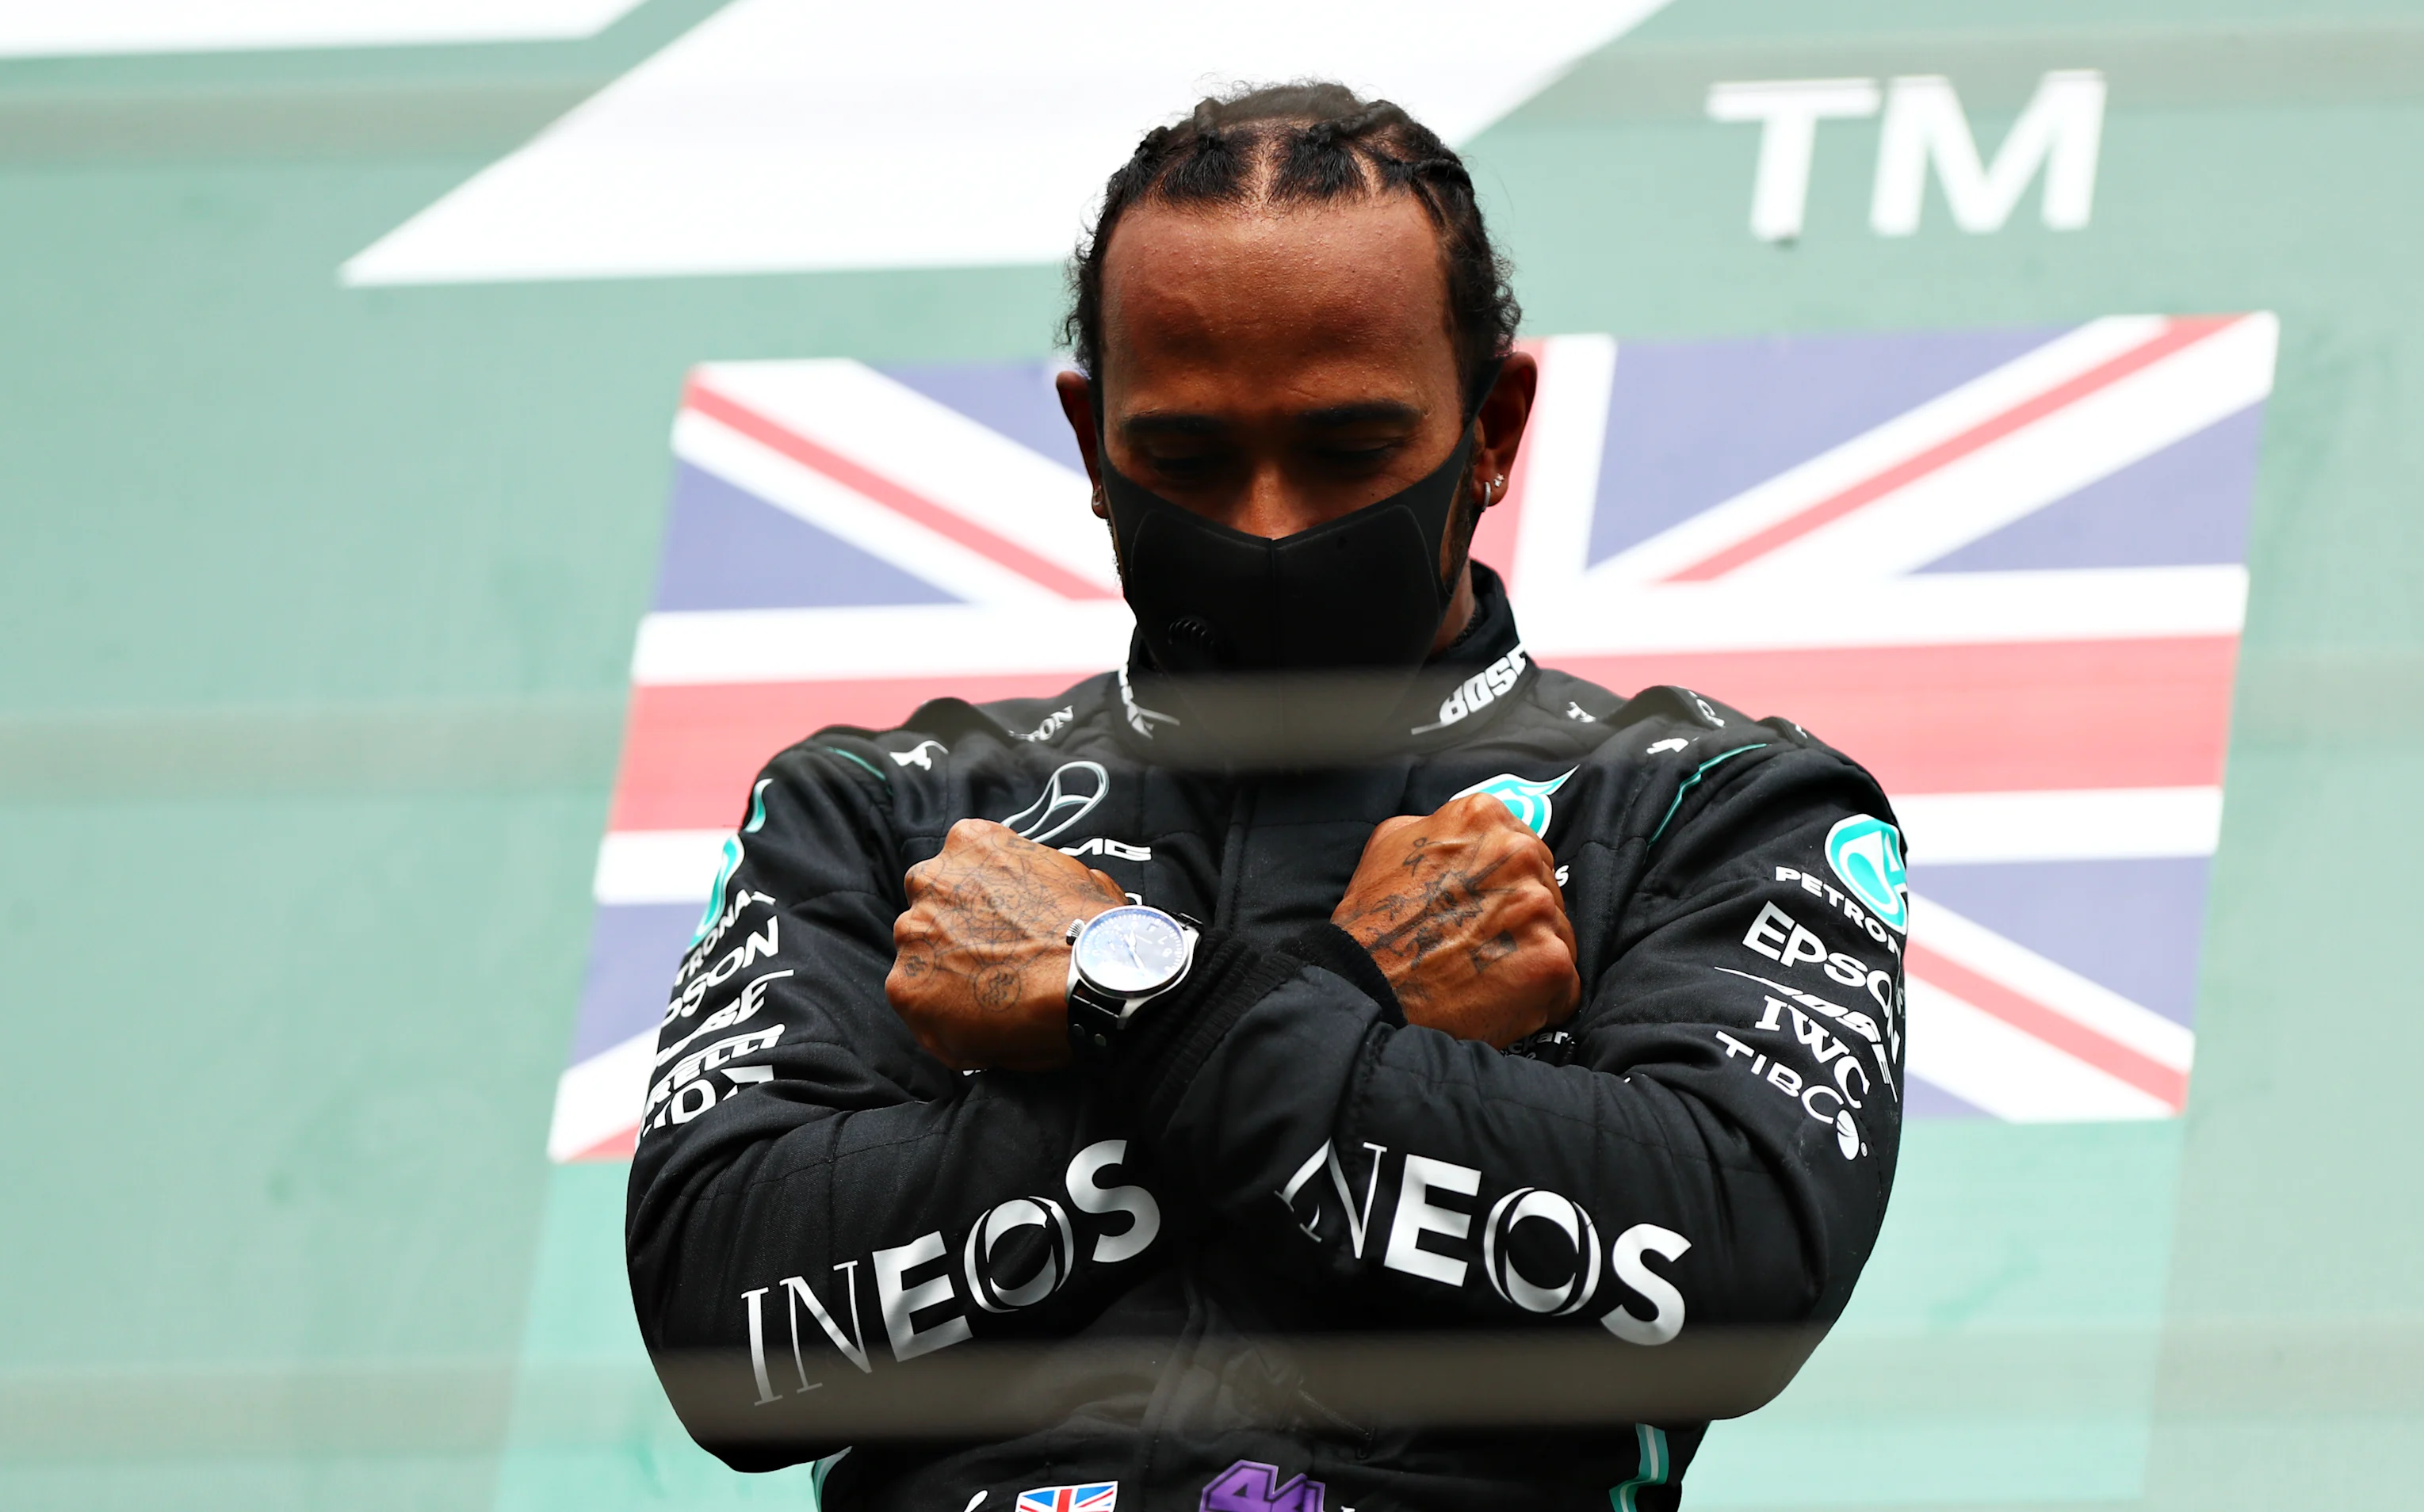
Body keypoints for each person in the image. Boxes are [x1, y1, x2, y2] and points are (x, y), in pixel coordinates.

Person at [627, 82, 1906, 1512]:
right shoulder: (881, 814)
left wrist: (1124, 994)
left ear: (1493, 429)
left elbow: (1734, 1272)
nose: (1271, 523)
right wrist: (1332, 1016)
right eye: (1187, 459)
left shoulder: (1705, 806)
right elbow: (724, 1339)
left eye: (1349, 450)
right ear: (1092, 448)